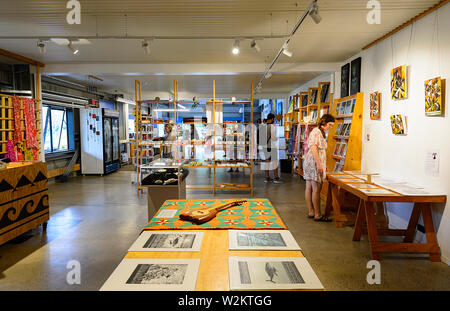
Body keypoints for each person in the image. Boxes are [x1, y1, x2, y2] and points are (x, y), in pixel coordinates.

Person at [303, 114, 335, 222]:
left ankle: (311, 211)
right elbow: (313, 148)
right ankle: (317, 214)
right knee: (316, 189)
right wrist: (319, 164)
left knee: (309, 187)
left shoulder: (316, 131)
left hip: (310, 162)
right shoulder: (317, 132)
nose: (330, 127)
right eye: (330, 125)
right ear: (324, 123)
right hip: (314, 162)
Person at [259, 113, 282, 184]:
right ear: (272, 119)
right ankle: (276, 177)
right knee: (274, 162)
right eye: (273, 119)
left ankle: (267, 177)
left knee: (267, 162)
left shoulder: (263, 125)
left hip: (265, 146)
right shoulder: (271, 126)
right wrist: (277, 138)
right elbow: (273, 137)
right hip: (271, 146)